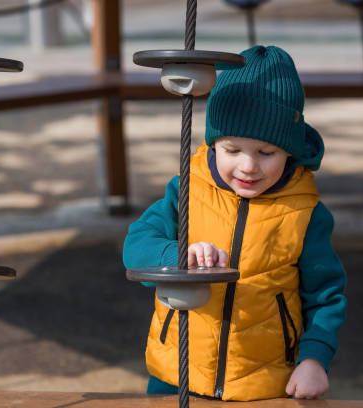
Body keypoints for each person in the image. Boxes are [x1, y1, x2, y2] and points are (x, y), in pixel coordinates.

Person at [122, 45, 347, 401]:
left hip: (266, 384)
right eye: (232, 149)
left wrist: (314, 359)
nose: (247, 166)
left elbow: (324, 296)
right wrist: (178, 252)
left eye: (266, 152)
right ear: (213, 145)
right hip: (177, 373)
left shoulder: (306, 213)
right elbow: (135, 246)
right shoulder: (187, 189)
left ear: (290, 150)